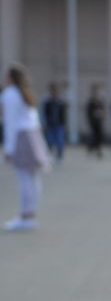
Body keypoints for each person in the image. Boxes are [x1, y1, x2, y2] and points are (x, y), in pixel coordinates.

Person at [3, 64, 51, 230]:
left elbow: (11, 123)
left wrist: (9, 149)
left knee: (24, 179)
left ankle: (26, 216)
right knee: (33, 178)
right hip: (33, 135)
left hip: (21, 137)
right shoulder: (25, 93)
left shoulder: (10, 94)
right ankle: (30, 214)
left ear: (10, 77)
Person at [40, 81, 67, 162]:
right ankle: (49, 156)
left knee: (60, 141)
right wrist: (44, 123)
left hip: (59, 124)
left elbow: (63, 114)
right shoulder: (47, 101)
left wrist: (64, 123)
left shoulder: (61, 101)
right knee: (49, 141)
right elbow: (44, 113)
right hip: (50, 124)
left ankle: (59, 157)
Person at [85, 85, 107, 158]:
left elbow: (103, 110)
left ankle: (98, 149)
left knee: (99, 135)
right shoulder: (91, 101)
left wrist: (102, 115)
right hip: (93, 121)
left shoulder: (100, 101)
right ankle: (92, 147)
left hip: (99, 121)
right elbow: (89, 112)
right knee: (94, 135)